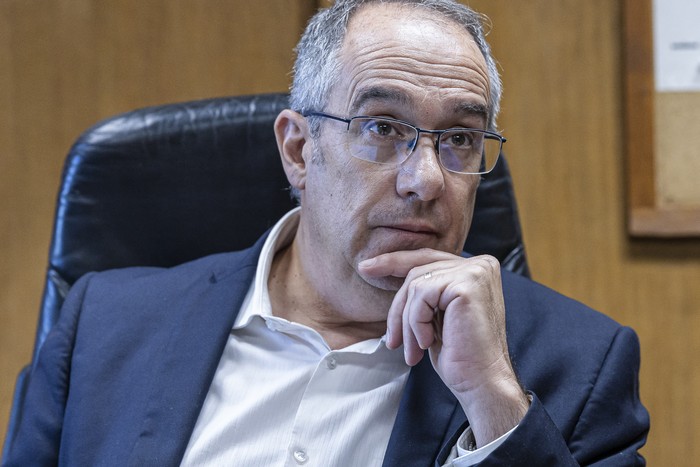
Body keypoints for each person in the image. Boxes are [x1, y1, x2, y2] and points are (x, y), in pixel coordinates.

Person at [3, 0, 649, 465]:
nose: (425, 179)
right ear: (298, 149)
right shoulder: (105, 327)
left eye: (457, 139)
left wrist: (495, 405)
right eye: (383, 128)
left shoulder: (578, 368)